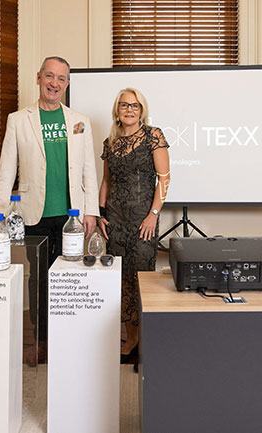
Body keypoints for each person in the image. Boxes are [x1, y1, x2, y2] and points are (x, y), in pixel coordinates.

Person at [0, 56, 100, 364]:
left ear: (67, 84)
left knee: (69, 279)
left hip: (71, 217)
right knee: (39, 280)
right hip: (33, 215)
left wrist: (90, 211)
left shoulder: (79, 121)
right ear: (38, 78)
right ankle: (41, 342)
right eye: (49, 76)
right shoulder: (18, 120)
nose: (54, 83)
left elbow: (88, 169)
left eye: (61, 78)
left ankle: (66, 342)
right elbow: (6, 170)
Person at [98, 88, 170, 365]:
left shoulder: (153, 136)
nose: (129, 109)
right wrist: (101, 214)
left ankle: (147, 340)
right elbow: (106, 181)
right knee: (121, 281)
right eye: (124, 105)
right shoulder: (110, 143)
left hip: (143, 221)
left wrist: (153, 215)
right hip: (115, 220)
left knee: (141, 279)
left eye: (135, 105)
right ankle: (131, 339)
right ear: (117, 110)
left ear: (142, 110)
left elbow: (164, 179)